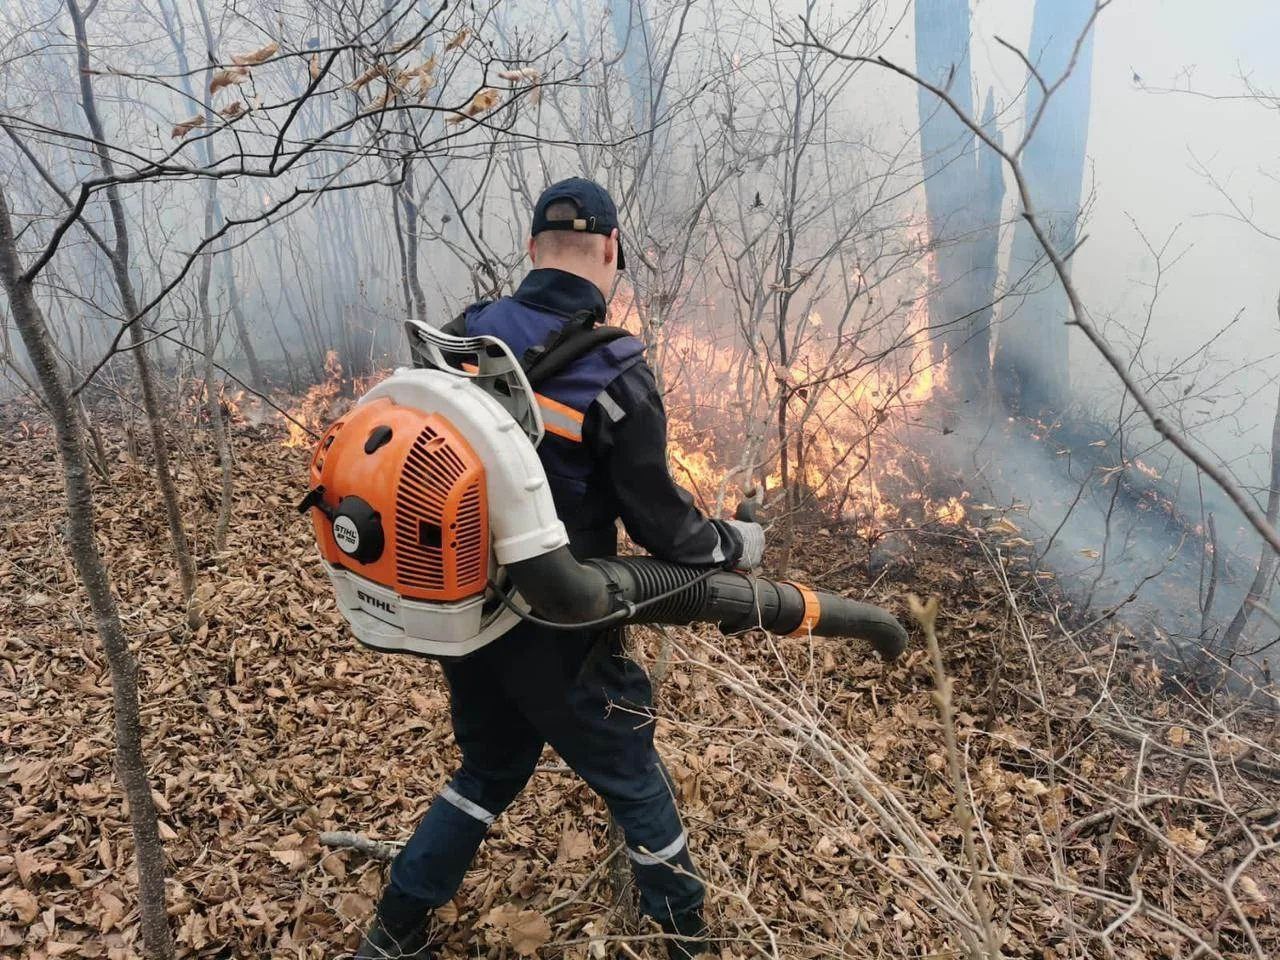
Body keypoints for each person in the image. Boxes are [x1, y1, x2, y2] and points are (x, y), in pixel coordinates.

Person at [356, 177, 765, 960]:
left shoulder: (463, 336)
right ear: (612, 252)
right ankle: (689, 940)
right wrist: (737, 546)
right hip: (561, 627)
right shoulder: (614, 369)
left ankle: (392, 932)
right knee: (635, 780)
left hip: (465, 610)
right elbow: (666, 530)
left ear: (530, 249)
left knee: (488, 769)